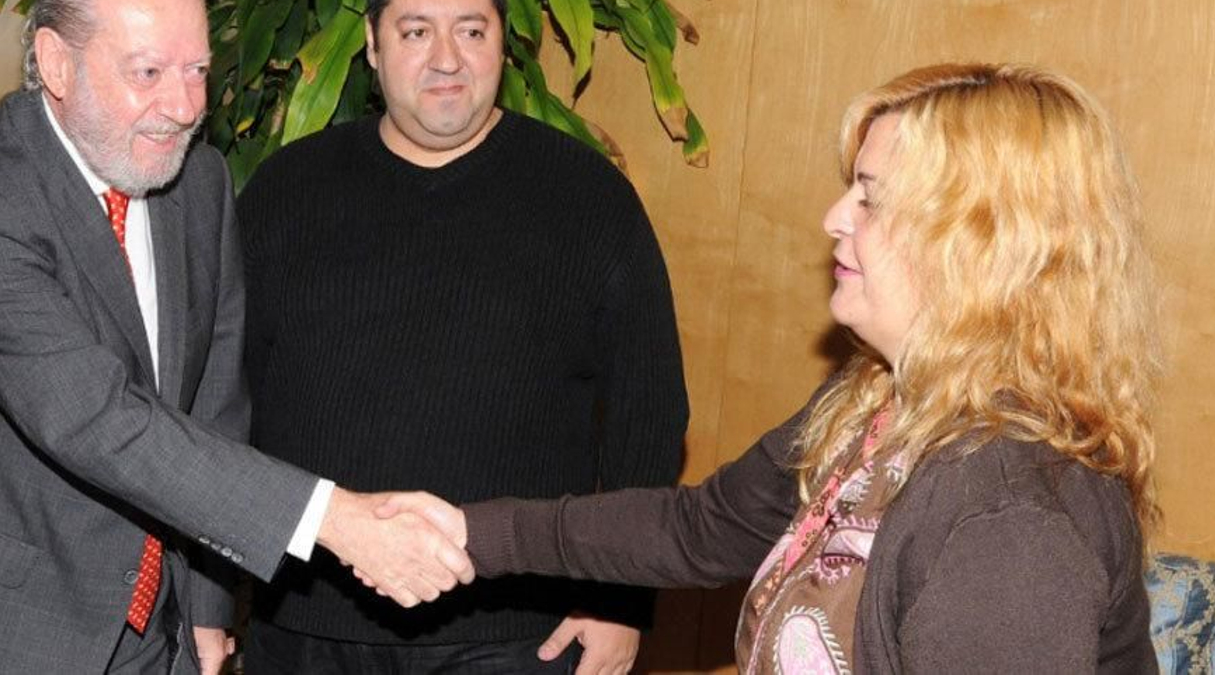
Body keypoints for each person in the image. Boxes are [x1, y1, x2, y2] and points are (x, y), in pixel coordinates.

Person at [0, 0, 471, 675]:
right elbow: (93, 418)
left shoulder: (198, 183)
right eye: (149, 72)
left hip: (148, 634)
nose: (185, 106)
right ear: (56, 63)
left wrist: (205, 605)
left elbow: (212, 402)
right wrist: (337, 520)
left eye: (198, 70)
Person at [391, 63, 1162, 672]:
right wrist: (471, 532)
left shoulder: (1009, 521)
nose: (834, 218)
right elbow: (701, 529)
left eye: (870, 199)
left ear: (980, 246)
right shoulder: (878, 399)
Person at [234, 0, 690, 673]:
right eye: (416, 31)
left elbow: (651, 413)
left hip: (518, 636)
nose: (447, 59)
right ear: (372, 47)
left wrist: (619, 598)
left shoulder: (589, 199)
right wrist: (210, 599)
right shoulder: (286, 191)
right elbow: (222, 405)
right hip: (306, 629)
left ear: (503, 45)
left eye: (471, 31)